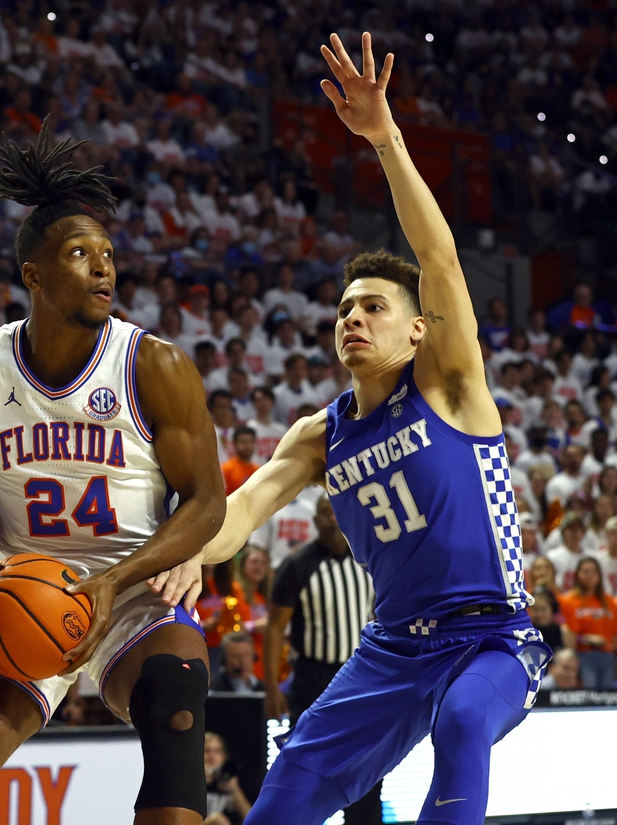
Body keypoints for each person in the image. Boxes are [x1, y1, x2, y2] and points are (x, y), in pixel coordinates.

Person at [149, 35, 551, 825]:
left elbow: (437, 254)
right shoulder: (318, 433)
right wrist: (190, 548)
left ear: (417, 332)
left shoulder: (451, 383)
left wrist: (385, 139)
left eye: (374, 307)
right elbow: (241, 513)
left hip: (493, 638)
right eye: (344, 308)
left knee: (464, 721)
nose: (353, 318)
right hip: (392, 648)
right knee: (288, 786)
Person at [0, 122, 225, 825]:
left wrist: (109, 583)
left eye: (108, 255)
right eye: (81, 254)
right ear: (34, 275)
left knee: (174, 700)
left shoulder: (154, 365)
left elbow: (204, 503)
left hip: (131, 590)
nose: (104, 269)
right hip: (24, 590)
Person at [263, 495, 380, 825]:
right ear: (314, 522)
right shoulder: (297, 565)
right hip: (313, 678)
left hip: (362, 677)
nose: (331, 520)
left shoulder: (368, 560)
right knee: (306, 771)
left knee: (367, 771)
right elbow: (274, 629)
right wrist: (272, 688)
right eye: (323, 514)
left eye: (335, 513)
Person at [557, 556, 617, 688]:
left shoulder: (610, 602)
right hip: (582, 655)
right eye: (585, 571)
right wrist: (584, 638)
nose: (589, 576)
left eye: (593, 572)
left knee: (608, 696)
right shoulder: (568, 601)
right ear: (577, 574)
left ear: (599, 575)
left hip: (609, 656)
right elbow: (566, 633)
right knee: (589, 692)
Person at [204, 731, 252, 825]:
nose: (212, 756)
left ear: (224, 756)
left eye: (217, 751)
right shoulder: (190, 780)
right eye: (207, 751)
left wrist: (234, 790)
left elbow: (253, 820)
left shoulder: (230, 780)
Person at [221, 426, 259, 494]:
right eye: (243, 442)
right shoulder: (226, 469)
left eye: (251, 442)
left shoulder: (258, 470)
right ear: (234, 444)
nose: (247, 446)